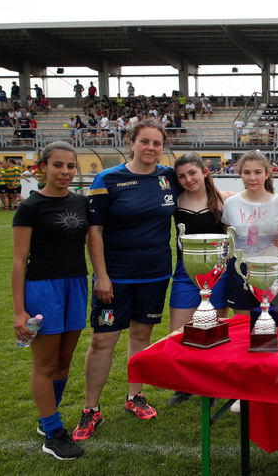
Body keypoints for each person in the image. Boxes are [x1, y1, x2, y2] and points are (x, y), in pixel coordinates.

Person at [73, 121, 177, 441]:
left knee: (141, 336)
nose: (150, 148)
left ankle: (134, 397)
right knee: (103, 339)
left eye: (156, 143)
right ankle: (91, 409)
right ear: (131, 143)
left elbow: (204, 190)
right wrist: (102, 276)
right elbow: (94, 231)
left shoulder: (168, 177)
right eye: (144, 141)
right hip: (114, 278)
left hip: (155, 274)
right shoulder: (108, 179)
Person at [12, 142, 89, 460]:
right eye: (58, 165)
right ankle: (54, 432)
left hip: (77, 285)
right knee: (44, 364)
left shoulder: (82, 203)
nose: (65, 172)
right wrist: (19, 311)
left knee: (64, 360)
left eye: (70, 166)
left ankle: (48, 420)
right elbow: (19, 261)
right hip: (43, 289)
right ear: (43, 166)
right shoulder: (30, 207)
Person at [166, 153, 232, 406]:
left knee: (212, 331)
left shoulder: (224, 199)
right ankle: (185, 385)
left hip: (217, 273)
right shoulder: (174, 201)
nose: (187, 179)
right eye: (181, 176)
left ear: (205, 171)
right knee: (178, 332)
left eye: (192, 173)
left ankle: (212, 384)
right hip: (185, 272)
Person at [222, 151, 278, 316]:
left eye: (258, 172)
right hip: (241, 270)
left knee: (273, 329)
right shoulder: (231, 203)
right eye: (247, 172)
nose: (252, 177)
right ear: (240, 174)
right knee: (243, 328)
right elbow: (228, 236)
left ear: (267, 174)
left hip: (273, 268)